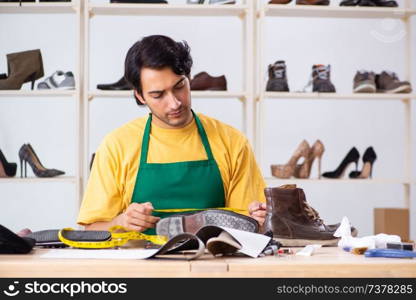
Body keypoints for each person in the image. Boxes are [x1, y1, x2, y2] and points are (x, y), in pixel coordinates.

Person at [77, 35, 266, 234]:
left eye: (179, 87)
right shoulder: (116, 146)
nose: (175, 103)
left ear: (189, 78)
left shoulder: (232, 142)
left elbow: (250, 226)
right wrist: (122, 222)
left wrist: (259, 219)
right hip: (140, 263)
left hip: (210, 262)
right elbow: (89, 231)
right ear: (139, 96)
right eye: (158, 95)